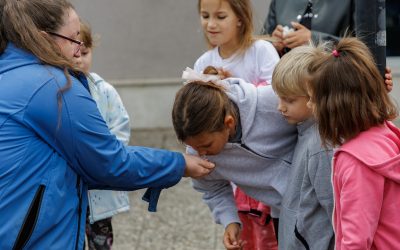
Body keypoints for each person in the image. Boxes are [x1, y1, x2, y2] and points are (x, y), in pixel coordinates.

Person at [0, 0, 214, 249]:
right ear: (43, 38)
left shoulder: (9, 71)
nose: (79, 50)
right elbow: (109, 163)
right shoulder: (52, 86)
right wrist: (178, 164)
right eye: (73, 39)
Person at [173, 66, 298, 250]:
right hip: (283, 213)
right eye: (193, 147)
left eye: (206, 145)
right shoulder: (198, 153)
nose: (200, 154)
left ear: (228, 123)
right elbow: (213, 189)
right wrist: (230, 221)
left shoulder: (272, 102)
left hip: (320, 196)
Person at [194, 0, 280, 248]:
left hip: (267, 157)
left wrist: (236, 87)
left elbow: (277, 95)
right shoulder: (203, 63)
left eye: (220, 16)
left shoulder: (261, 50)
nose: (211, 24)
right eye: (205, 15)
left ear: (240, 18)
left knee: (272, 236)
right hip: (232, 165)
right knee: (246, 236)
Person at [307, 37, 400, 249]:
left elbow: (355, 240)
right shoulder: (384, 133)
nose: (309, 105)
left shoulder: (355, 161)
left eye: (313, 99)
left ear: (333, 105)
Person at [271, 45, 334, 250]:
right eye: (279, 97)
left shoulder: (320, 145)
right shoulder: (305, 130)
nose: (280, 107)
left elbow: (334, 210)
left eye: (289, 100)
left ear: (314, 96)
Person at [75, 21, 131, 250]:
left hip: (100, 187)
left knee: (101, 240)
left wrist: (105, 157)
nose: (79, 59)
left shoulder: (104, 91)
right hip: (71, 190)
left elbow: (120, 128)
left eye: (85, 53)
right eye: (73, 54)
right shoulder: (54, 89)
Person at [262, 0, 354, 56]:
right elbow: (262, 41)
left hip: (331, 79)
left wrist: (314, 39)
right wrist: (273, 44)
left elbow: (364, 47)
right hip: (284, 78)